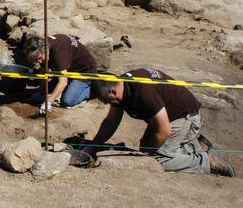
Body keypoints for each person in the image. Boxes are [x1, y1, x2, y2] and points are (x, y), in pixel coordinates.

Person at [81, 68, 235, 177]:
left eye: (106, 101)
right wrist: (94, 145)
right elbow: (111, 122)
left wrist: (146, 156)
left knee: (156, 160)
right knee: (145, 147)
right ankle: (197, 146)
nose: (108, 104)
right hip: (170, 116)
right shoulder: (120, 84)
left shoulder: (142, 92)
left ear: (112, 92)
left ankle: (207, 161)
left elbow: (164, 130)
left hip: (185, 117)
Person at [23, 33, 97, 114]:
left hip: (83, 71)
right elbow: (44, 73)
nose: (39, 62)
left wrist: (49, 102)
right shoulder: (42, 49)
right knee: (40, 97)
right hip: (66, 70)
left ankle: (90, 90)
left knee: (67, 101)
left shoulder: (59, 52)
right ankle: (70, 88)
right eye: (37, 60)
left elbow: (63, 82)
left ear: (45, 50)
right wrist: (41, 91)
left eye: (40, 58)